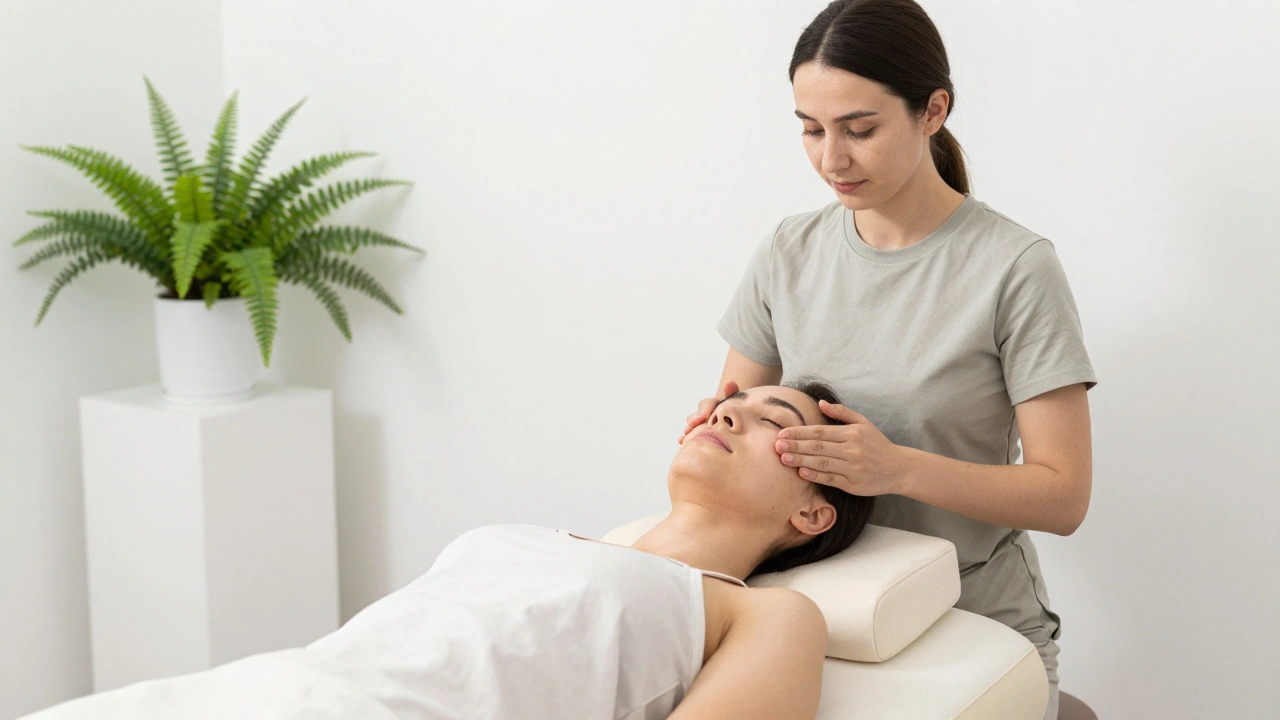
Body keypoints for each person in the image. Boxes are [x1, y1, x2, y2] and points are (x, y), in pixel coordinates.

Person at [677, 2, 1097, 719]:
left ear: (933, 110)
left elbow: (1063, 497)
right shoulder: (790, 251)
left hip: (970, 627)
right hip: (812, 612)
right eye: (811, 129)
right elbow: (732, 426)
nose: (831, 159)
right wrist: (713, 431)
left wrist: (896, 467)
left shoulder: (1014, 268)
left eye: (859, 129)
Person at [25, 381, 874, 720]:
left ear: (812, 513)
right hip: (255, 689)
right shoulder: (545, 537)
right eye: (730, 404)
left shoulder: (762, 612)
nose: (728, 414)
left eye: (774, 422)